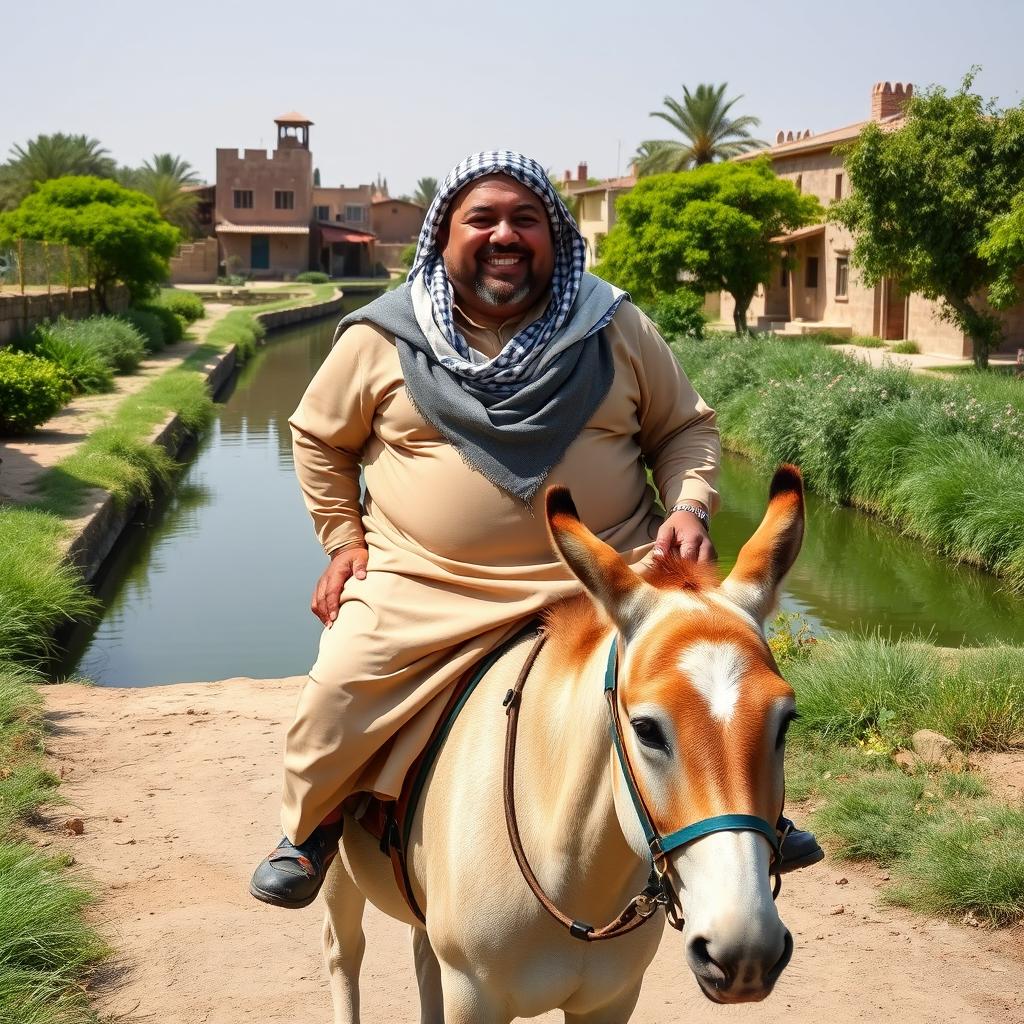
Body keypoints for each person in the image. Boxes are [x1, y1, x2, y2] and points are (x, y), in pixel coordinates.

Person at [249, 151, 822, 910]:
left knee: (725, 674)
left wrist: (688, 506)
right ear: (443, 235)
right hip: (428, 581)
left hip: (614, 577)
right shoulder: (380, 337)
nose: (504, 235)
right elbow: (320, 439)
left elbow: (686, 429)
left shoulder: (615, 326)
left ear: (553, 236)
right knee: (339, 683)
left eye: (525, 219)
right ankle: (312, 825)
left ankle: (757, 821)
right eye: (481, 219)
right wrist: (343, 540)